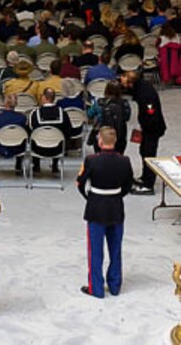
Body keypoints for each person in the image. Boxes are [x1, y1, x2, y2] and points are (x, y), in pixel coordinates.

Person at [77, 125, 134, 298]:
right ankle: (115, 285)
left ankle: (97, 288)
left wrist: (91, 198)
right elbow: (128, 185)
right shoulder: (124, 161)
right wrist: (115, 196)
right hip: (116, 206)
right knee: (115, 248)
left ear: (100, 141)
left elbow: (80, 183)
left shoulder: (92, 160)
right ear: (115, 141)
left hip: (96, 207)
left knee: (95, 250)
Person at [120, 69, 167, 194]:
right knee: (143, 151)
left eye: (124, 84)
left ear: (130, 83)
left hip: (152, 128)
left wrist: (144, 128)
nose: (123, 86)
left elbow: (151, 113)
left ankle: (148, 185)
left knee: (149, 153)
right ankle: (144, 177)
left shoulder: (145, 94)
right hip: (147, 126)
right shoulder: (140, 86)